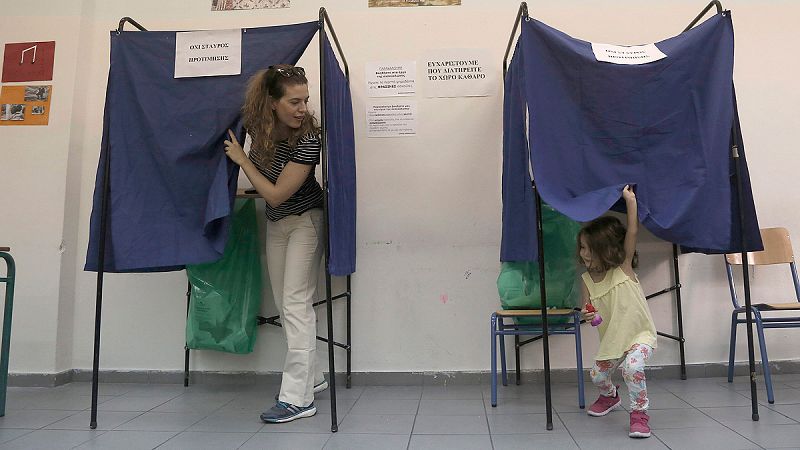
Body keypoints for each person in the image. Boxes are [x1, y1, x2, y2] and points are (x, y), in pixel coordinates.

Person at [223, 64, 328, 424]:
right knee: (287, 306)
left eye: (305, 100)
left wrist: (242, 161)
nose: (302, 109)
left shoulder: (309, 138)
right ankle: (313, 378)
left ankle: (298, 398)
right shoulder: (258, 127)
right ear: (272, 102)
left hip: (305, 222)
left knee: (296, 304)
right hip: (277, 224)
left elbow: (277, 194)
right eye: (294, 102)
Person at [578, 185, 657, 439]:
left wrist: (630, 201)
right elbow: (586, 310)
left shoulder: (623, 267)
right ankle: (610, 396)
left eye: (588, 248)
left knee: (632, 368)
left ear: (606, 249)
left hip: (639, 336)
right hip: (613, 339)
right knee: (597, 375)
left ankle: (639, 414)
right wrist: (587, 315)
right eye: (581, 247)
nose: (583, 253)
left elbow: (632, 231)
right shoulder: (586, 280)